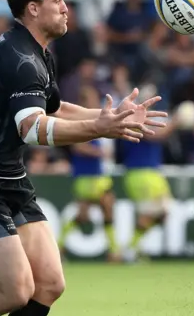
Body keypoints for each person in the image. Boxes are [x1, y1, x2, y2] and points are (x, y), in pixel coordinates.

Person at [0, 0, 167, 316]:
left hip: (11, 180)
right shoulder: (20, 58)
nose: (66, 8)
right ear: (33, 10)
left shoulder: (38, 53)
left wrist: (112, 116)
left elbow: (55, 108)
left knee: (50, 285)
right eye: (57, 0)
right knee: (15, 291)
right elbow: (32, 128)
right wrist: (99, 128)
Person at [57, 85, 120, 262]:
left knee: (85, 215)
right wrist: (99, 153)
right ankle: (115, 252)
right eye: (91, 99)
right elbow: (77, 147)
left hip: (94, 174)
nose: (95, 102)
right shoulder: (77, 120)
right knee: (106, 205)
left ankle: (59, 246)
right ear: (84, 101)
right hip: (88, 175)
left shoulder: (94, 118)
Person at [122, 93, 180, 262]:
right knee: (148, 213)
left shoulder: (142, 118)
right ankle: (131, 250)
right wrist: (176, 121)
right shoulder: (132, 119)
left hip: (151, 172)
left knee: (163, 213)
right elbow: (157, 135)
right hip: (141, 172)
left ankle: (133, 247)